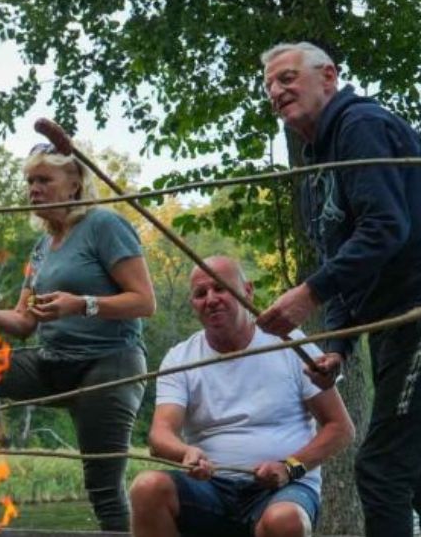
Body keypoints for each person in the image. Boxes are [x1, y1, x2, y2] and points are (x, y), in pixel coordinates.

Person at [257, 41, 421, 536]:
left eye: (287, 78)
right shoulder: (315, 167)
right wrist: (338, 347)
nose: (276, 91)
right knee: (412, 474)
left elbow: (385, 227)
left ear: (328, 77)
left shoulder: (360, 126)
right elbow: (342, 261)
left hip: (416, 314)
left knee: (381, 469)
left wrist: (308, 293)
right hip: (392, 326)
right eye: (268, 85)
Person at [0, 141, 155, 532]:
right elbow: (23, 323)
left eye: (44, 179)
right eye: (30, 181)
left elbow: (144, 302)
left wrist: (81, 304)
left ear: (74, 184)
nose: (34, 189)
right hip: (53, 360)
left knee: (102, 487)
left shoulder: (104, 225)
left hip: (109, 364)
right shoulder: (41, 247)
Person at [129, 256, 354, 537]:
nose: (211, 299)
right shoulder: (180, 357)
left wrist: (290, 467)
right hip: (209, 490)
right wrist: (184, 452)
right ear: (193, 305)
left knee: (285, 520)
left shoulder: (291, 343)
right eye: (200, 294)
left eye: (220, 288)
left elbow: (341, 429)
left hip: (284, 489)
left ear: (247, 291)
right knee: (146, 488)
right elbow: (160, 434)